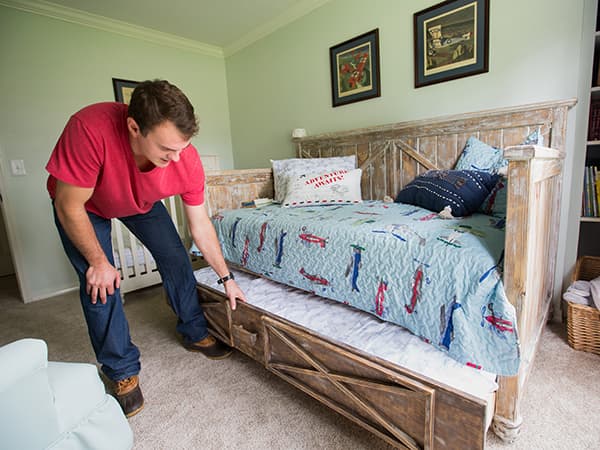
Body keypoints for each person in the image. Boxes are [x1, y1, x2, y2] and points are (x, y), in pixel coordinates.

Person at [46, 79, 246, 418]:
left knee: (176, 258)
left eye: (183, 148)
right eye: (167, 150)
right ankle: (121, 370)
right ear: (134, 128)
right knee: (101, 283)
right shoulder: (89, 128)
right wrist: (98, 261)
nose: (178, 157)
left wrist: (226, 278)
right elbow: (68, 205)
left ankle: (194, 331)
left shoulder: (186, 158)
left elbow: (200, 226)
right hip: (83, 206)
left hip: (139, 202)